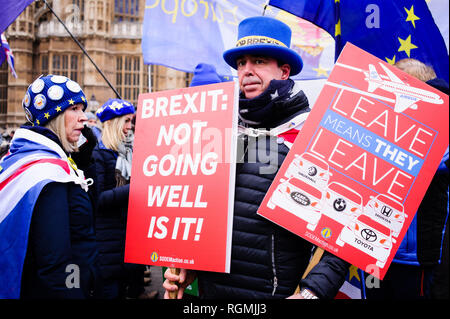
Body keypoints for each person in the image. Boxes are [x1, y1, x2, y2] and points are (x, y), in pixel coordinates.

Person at [163, 16, 349, 299]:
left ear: (284, 71)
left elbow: (344, 236)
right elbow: (202, 217)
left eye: (259, 61)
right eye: (241, 63)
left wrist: (310, 294)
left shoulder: (310, 137)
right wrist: (189, 266)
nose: (246, 71)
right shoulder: (218, 132)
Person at [0, 75, 101, 299]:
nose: (84, 118)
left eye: (82, 109)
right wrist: (75, 291)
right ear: (53, 116)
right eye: (74, 108)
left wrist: (85, 162)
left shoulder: (40, 161)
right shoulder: (48, 176)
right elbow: (58, 265)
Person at [364, 59, 449, 299]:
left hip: (418, 257)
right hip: (374, 249)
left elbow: (438, 160)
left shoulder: (443, 128)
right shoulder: (386, 123)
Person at [92, 98, 157, 299]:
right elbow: (98, 199)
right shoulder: (99, 155)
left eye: (131, 121)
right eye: (126, 121)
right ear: (113, 124)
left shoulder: (125, 152)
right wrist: (134, 188)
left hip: (125, 235)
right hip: (108, 239)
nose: (130, 127)